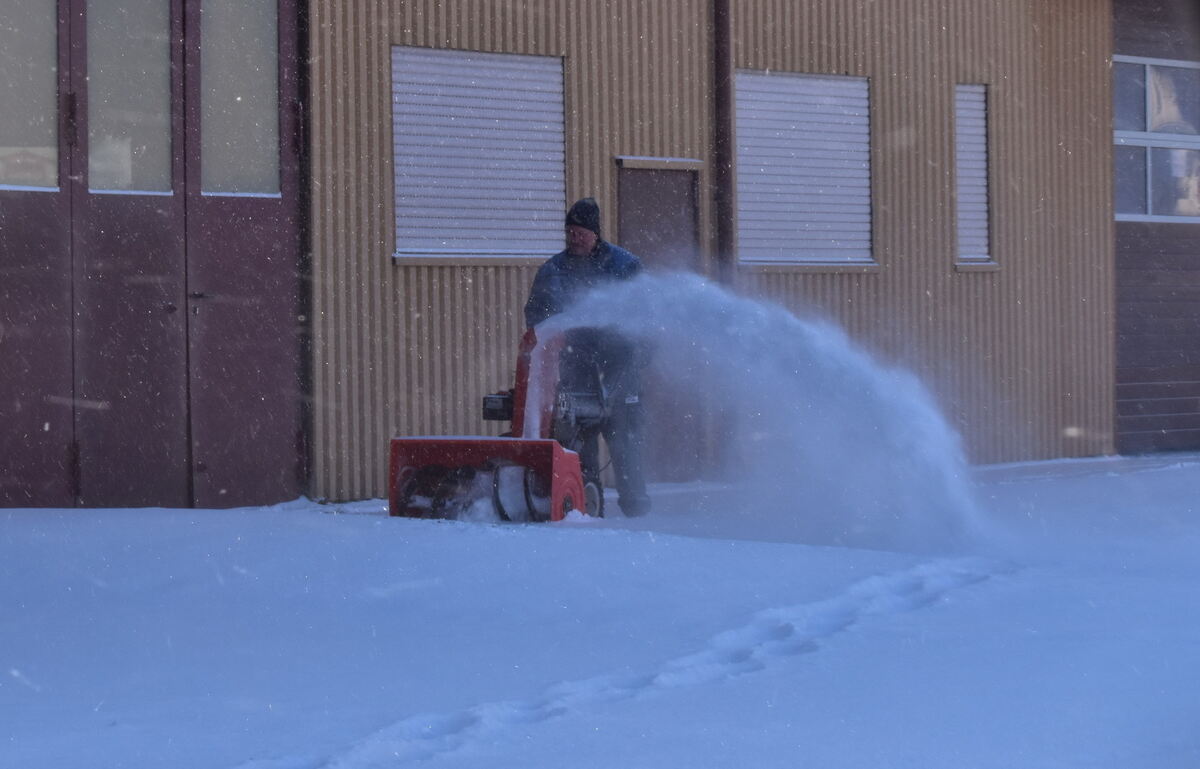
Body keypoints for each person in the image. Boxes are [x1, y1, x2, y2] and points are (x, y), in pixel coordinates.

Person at [523, 197, 652, 517]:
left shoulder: (624, 266)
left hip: (620, 368)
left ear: (596, 233)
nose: (574, 238)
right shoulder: (553, 271)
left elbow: (646, 316)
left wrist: (637, 356)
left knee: (625, 441)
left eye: (581, 232)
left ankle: (636, 509)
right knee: (580, 440)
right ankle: (588, 507)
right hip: (574, 367)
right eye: (570, 232)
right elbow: (536, 316)